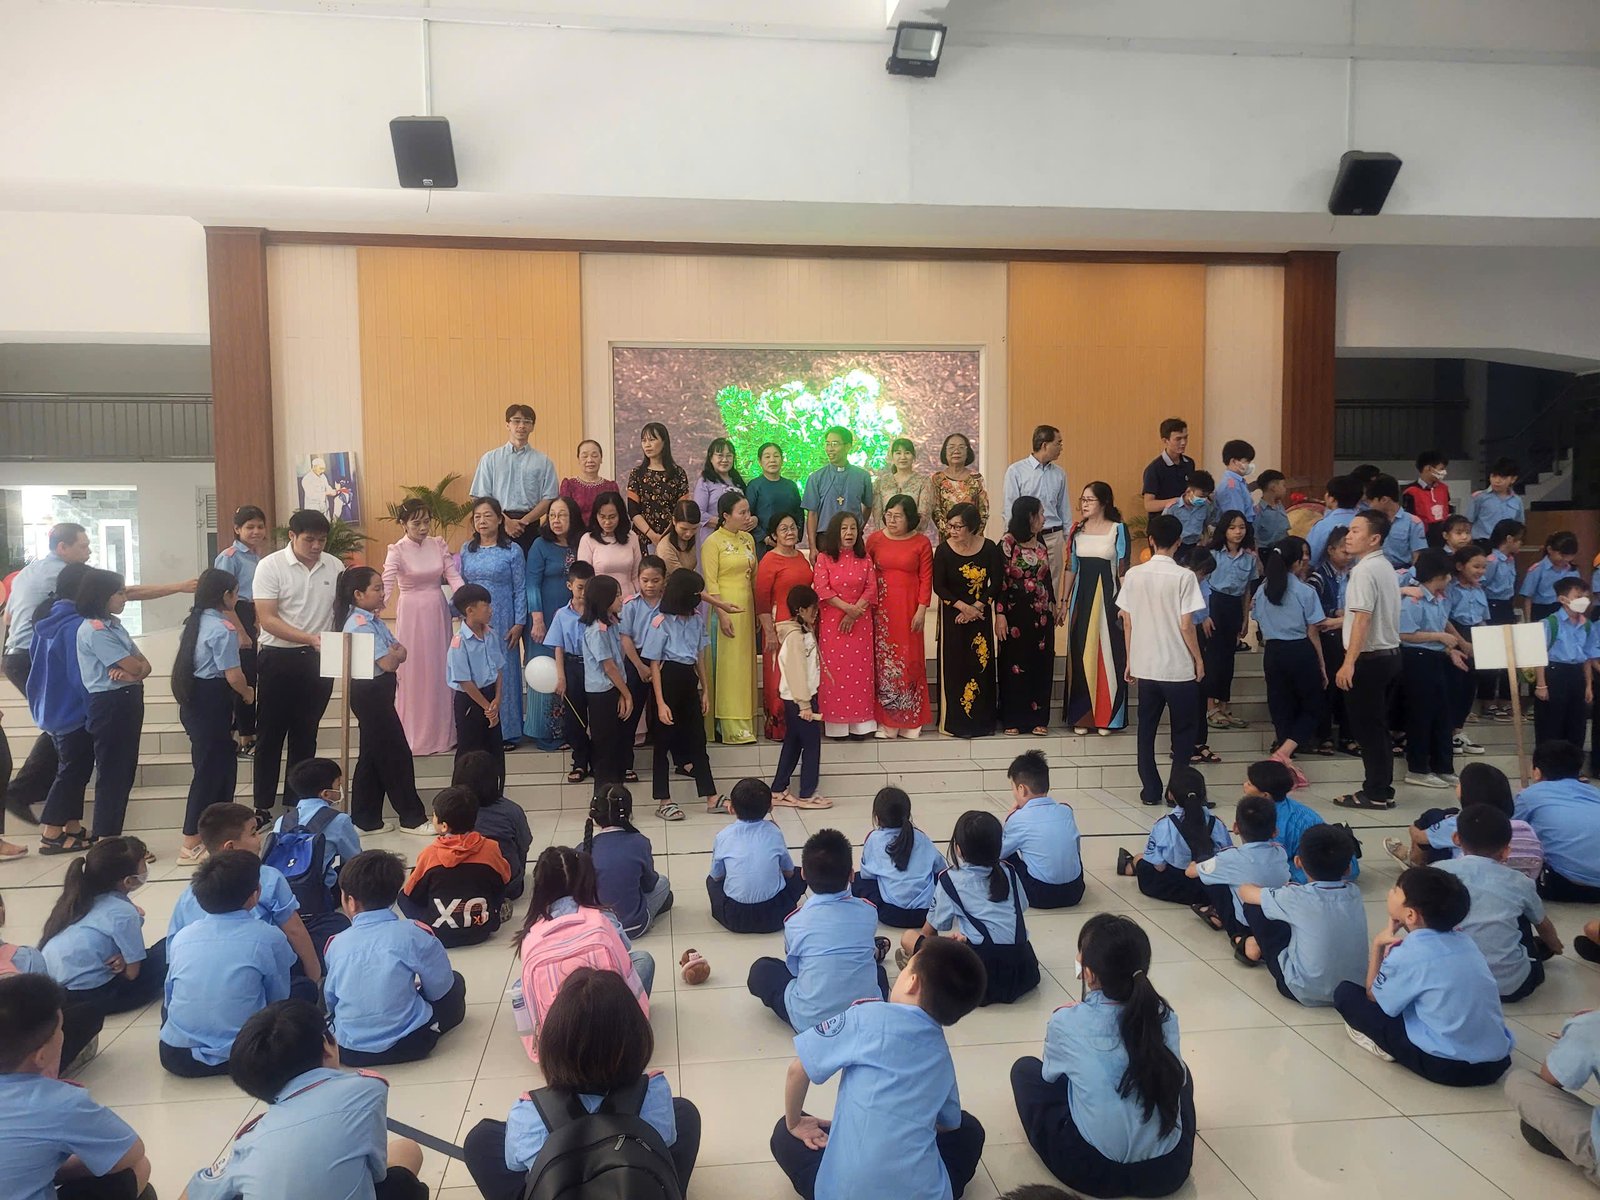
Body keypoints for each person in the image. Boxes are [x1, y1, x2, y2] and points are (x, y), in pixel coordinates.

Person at [770, 937, 988, 1200]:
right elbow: (948, 1125)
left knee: (784, 1132)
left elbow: (798, 1070)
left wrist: (795, 1122)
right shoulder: (942, 1056)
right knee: (970, 1130)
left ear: (912, 982)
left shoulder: (865, 1016)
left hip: (843, 1193)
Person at [465, 968, 700, 1200]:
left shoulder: (528, 1112)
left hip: (558, 1183)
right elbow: (668, 1139)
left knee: (480, 1139)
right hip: (635, 1184)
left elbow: (514, 1164)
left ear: (552, 1044)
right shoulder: (654, 1092)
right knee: (684, 1111)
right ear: (637, 1038)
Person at [1010, 914, 1194, 1199]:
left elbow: (1050, 1076)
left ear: (1090, 974)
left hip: (1093, 1173)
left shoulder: (1066, 1021)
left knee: (1024, 1071)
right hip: (1168, 1171)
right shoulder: (1165, 1016)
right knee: (1179, 1072)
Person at [186, 998, 429, 1200]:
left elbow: (192, 1194)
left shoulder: (250, 1142)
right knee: (407, 1153)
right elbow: (376, 1174)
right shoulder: (367, 1089)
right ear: (326, 1045)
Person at [1332, 866, 1514, 1087]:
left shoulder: (1408, 953)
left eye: (1396, 890)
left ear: (1410, 915)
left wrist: (1378, 945)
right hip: (1497, 1063)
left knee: (1346, 994)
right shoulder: (1466, 942)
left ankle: (1383, 1045)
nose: (1390, 892)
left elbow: (1373, 996)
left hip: (1447, 1067)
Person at [0, 974, 155, 1200]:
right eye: (60, 1029)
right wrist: (57, 1169)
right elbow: (131, 1152)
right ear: (41, 1056)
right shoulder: (58, 1102)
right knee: (139, 1168)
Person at [159, 850, 295, 1077]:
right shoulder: (269, 936)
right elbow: (278, 999)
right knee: (303, 990)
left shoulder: (182, 937)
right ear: (255, 895)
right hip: (249, 1054)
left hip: (177, 1057)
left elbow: (169, 995)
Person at [324, 849, 467, 1066]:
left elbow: (331, 1001)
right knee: (455, 982)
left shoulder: (336, 943)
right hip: (411, 1044)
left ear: (350, 901)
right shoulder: (414, 933)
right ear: (394, 894)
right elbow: (440, 989)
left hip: (350, 1051)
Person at [171, 802, 326, 985]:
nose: (260, 839)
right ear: (230, 847)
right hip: (255, 972)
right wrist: (314, 978)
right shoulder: (267, 876)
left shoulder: (187, 895)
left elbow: (172, 951)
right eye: (253, 833)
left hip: (199, 979)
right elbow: (294, 930)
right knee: (328, 926)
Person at [253, 509, 342, 821]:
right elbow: (267, 618)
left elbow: (341, 611)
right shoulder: (270, 566)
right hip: (279, 657)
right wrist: (308, 638)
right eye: (309, 540)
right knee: (270, 735)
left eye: (322, 540)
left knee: (306, 734)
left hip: (319, 658)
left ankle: (298, 803)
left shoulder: (335, 565)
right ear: (292, 536)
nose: (316, 546)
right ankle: (262, 806)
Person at [749, 828, 887, 1030]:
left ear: (803, 874)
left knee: (762, 970)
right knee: (878, 973)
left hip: (812, 1023)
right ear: (851, 875)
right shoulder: (868, 912)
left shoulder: (795, 921)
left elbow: (795, 969)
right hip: (865, 1018)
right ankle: (869, 953)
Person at [903, 809, 1040, 1005]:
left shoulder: (950, 879)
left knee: (909, 937)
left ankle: (921, 972)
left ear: (958, 849)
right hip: (1023, 970)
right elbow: (1020, 908)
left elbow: (929, 932)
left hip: (979, 979)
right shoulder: (1009, 871)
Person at [335, 566, 431, 835]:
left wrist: (395, 654)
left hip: (380, 692)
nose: (382, 593)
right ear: (358, 594)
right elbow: (389, 661)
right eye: (376, 588)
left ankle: (365, 820)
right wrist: (395, 654)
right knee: (395, 753)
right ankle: (412, 818)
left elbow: (402, 651)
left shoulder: (374, 621)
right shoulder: (359, 624)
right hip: (371, 695)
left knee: (371, 756)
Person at [517, 845, 653, 1030]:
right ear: (583, 877)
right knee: (643, 959)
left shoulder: (531, 933)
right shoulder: (602, 917)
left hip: (559, 1038)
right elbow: (624, 950)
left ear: (539, 886)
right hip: (612, 1029)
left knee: (520, 985)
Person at [1120, 514, 1206, 807]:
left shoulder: (1133, 575)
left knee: (1146, 730)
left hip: (1146, 665)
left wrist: (1130, 660)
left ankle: (1150, 790)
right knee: (1183, 733)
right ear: (1179, 542)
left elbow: (1127, 622)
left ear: (1151, 540)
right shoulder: (1184, 577)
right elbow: (1186, 625)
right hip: (1177, 667)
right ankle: (1176, 792)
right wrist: (1198, 659)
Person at [1435, 806, 1559, 1003]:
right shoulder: (1520, 881)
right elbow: (1542, 924)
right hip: (1511, 988)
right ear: (1506, 851)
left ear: (1456, 838)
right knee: (1521, 913)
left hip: (1450, 985)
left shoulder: (1436, 872)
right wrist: (1556, 946)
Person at [1233, 824, 1366, 1006]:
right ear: (1348, 869)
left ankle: (1254, 944)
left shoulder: (1296, 897)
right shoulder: (1354, 893)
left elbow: (1245, 893)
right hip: (1353, 989)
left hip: (1302, 990)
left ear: (1297, 862)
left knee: (1255, 907)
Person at [174, 568, 256, 864]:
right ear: (226, 595)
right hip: (212, 700)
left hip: (197, 700)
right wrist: (247, 694)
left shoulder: (195, 623)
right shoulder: (223, 628)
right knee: (209, 773)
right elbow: (233, 675)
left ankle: (217, 837)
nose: (238, 597)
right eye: (236, 592)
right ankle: (190, 841)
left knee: (220, 768)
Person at [40, 837, 165, 1017]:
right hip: (95, 996)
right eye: (143, 863)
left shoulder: (76, 900)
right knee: (169, 949)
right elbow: (132, 974)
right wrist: (127, 963)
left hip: (57, 991)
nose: (146, 867)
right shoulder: (123, 912)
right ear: (128, 881)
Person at [1333, 511, 1404, 812]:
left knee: (1368, 730)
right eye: (1349, 530)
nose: (1349, 536)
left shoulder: (1363, 571)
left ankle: (1374, 792)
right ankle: (1382, 789)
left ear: (1374, 538)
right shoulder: (1385, 566)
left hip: (1369, 659)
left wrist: (1349, 662)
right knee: (1378, 728)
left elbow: (1363, 618)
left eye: (1356, 531)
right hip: (1390, 655)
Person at [383, 497, 465, 757]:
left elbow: (453, 576)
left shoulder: (438, 544)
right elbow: (386, 583)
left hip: (437, 611)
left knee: (440, 668)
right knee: (414, 671)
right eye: (416, 523)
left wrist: (467, 600)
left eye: (426, 522)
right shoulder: (397, 550)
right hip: (412, 614)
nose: (422, 527)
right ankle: (413, 734)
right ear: (403, 524)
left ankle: (444, 734)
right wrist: (372, 610)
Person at [23, 562, 93, 855]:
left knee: (75, 768)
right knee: (73, 771)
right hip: (72, 709)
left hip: (50, 706)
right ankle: (51, 833)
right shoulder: (76, 625)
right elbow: (80, 674)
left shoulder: (47, 617)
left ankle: (72, 827)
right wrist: (94, 709)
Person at [75, 569, 150, 841]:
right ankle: (106, 839)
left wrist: (134, 673)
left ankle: (112, 837)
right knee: (113, 773)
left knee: (124, 771)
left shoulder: (114, 625)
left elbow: (145, 666)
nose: (124, 598)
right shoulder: (96, 630)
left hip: (127, 698)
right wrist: (135, 671)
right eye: (119, 593)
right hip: (110, 704)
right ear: (101, 595)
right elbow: (135, 665)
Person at [643, 569, 721, 814]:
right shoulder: (660, 621)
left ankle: (710, 796)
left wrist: (705, 690)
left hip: (689, 679)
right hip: (668, 679)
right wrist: (660, 702)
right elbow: (654, 664)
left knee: (698, 739)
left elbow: (700, 657)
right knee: (663, 742)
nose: (699, 598)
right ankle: (663, 800)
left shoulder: (696, 620)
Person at [398, 786, 512, 947]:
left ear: (444, 826)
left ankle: (424, 925)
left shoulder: (429, 854)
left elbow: (411, 893)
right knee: (496, 881)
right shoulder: (491, 848)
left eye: (434, 815)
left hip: (438, 934)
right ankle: (492, 916)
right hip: (481, 931)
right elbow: (505, 878)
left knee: (403, 897)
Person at [1254, 537, 1326, 787]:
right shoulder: (1305, 591)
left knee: (1280, 706)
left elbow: (1257, 619)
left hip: (1273, 652)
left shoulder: (1262, 590)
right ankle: (1284, 753)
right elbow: (1313, 630)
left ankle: (1284, 763)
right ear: (1296, 562)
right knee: (1314, 705)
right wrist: (1321, 663)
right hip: (1299, 649)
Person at [459, 497, 528, 749]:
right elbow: (461, 585)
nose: (482, 521)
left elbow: (520, 588)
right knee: (476, 670)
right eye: (477, 517)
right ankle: (480, 726)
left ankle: (507, 731)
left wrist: (519, 622)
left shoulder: (512, 550)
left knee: (504, 672)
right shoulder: (466, 550)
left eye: (488, 515)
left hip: (502, 618)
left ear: (500, 519)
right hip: (473, 621)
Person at [1398, 548, 1471, 788]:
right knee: (1421, 715)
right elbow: (1404, 634)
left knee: (1443, 715)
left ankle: (1444, 766)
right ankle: (1417, 768)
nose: (1449, 579)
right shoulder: (1413, 600)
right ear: (1436, 575)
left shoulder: (1439, 599)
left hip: (1437, 657)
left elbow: (1442, 626)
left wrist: (1451, 649)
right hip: (1417, 659)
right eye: (1446, 575)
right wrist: (1438, 637)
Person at [1062, 481, 1129, 735]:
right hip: (1081, 599)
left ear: (1104, 502)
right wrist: (1063, 602)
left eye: (1089, 500)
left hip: (1108, 600)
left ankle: (1108, 717)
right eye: (1082, 500)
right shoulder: (1076, 531)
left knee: (1109, 655)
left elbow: (1123, 570)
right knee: (1080, 654)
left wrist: (1126, 603)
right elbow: (1071, 567)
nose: (1084, 504)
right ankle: (1081, 717)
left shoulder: (1118, 530)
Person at [1507, 1009, 1600, 1189]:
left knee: (1520, 1082)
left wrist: (1576, 1032)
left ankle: (1587, 1154)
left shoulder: (1592, 1024)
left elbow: (1550, 1078)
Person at [1114, 766, 1231, 906]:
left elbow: (1159, 866)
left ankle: (1131, 864)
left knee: (1142, 858)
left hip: (1173, 887)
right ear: (1203, 793)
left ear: (1170, 795)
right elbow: (1227, 858)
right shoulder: (1217, 823)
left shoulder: (1164, 824)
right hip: (1208, 891)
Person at [866, 495, 933, 738]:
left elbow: (926, 578)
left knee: (909, 659)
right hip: (881, 611)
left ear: (910, 518)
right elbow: (865, 572)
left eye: (898, 516)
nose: (892, 520)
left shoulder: (921, 542)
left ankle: (911, 722)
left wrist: (922, 609)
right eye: (889, 515)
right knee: (885, 664)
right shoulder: (874, 540)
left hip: (909, 609)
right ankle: (887, 722)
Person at [933, 502, 1002, 739]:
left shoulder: (989, 548)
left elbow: (997, 582)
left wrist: (977, 607)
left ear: (972, 527)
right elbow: (939, 586)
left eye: (958, 526)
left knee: (980, 665)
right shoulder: (943, 551)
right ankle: (954, 724)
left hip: (980, 616)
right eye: (950, 526)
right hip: (954, 616)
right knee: (955, 667)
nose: (952, 531)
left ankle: (982, 723)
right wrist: (964, 608)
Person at [1188, 796, 1291, 945]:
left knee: (1209, 868)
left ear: (1235, 828)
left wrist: (1195, 863)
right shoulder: (1280, 852)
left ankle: (1228, 926)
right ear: (1275, 831)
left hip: (1246, 926)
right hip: (1278, 922)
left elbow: (1190, 873)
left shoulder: (1230, 857)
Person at [708, 778, 806, 934]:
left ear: (731, 808)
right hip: (776, 915)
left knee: (711, 881)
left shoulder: (723, 836)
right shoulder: (774, 832)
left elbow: (717, 876)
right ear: (770, 807)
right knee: (800, 873)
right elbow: (789, 872)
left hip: (734, 917)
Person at [1243, 758, 1359, 885]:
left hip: (1318, 862)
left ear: (1265, 795)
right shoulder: (1284, 807)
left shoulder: (1274, 819)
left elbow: (1271, 857)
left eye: (1249, 784)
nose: (1244, 785)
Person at [525, 495, 582, 752]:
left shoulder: (581, 544)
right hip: (545, 620)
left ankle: (570, 730)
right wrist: (537, 619)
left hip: (574, 620)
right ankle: (544, 733)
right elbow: (532, 583)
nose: (556, 520)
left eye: (562, 515)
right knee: (545, 671)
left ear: (573, 518)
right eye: (552, 515)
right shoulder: (540, 545)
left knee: (568, 672)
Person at [701, 491, 759, 744]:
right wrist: (721, 614)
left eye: (748, 511)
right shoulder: (712, 542)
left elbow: (754, 577)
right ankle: (726, 725)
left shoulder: (748, 540)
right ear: (725, 516)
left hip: (746, 609)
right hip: (723, 609)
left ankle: (746, 721)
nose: (747, 517)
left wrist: (758, 610)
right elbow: (710, 583)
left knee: (743, 665)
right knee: (728, 666)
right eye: (741, 512)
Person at [997, 496, 1057, 737]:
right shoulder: (1007, 542)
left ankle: (1039, 718)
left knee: (1041, 663)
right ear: (1029, 516)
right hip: (1015, 615)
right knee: (1014, 665)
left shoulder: (1040, 541)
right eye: (1040, 513)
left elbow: (1046, 576)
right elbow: (1000, 581)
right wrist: (1000, 614)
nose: (1044, 518)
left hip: (1041, 615)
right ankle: (1012, 718)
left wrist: (1053, 603)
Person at [814, 511, 877, 740]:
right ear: (835, 532)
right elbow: (822, 589)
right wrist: (847, 609)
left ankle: (861, 725)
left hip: (860, 623)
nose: (849, 533)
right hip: (834, 624)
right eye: (844, 528)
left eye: (852, 528)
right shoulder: (824, 558)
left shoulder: (865, 558)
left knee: (860, 672)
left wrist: (854, 611)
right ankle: (837, 725)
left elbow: (871, 587)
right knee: (836, 673)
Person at [1514, 739, 1600, 902]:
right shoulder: (1594, 793)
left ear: (1537, 772)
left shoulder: (1529, 795)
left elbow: (1509, 830)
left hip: (1565, 885)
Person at [583, 784, 672, 937]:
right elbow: (649, 884)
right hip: (633, 927)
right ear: (629, 813)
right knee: (663, 882)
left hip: (597, 930)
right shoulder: (640, 842)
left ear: (596, 817)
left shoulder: (583, 848)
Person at [214, 504, 268, 756]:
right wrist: (241, 632)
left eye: (260, 526)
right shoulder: (230, 556)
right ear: (237, 529)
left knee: (253, 674)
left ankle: (244, 731)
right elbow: (223, 599)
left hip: (254, 613)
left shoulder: (258, 557)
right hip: (235, 615)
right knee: (243, 675)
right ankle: (246, 736)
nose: (256, 531)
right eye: (250, 527)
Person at [852, 786, 946, 928]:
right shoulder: (920, 837)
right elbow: (940, 868)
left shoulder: (874, 839)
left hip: (890, 914)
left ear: (877, 818)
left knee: (857, 879)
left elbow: (867, 875)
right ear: (908, 815)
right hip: (926, 914)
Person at [756, 513, 815, 742]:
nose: (790, 532)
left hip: (802, 625)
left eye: (792, 527)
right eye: (783, 529)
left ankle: (801, 723)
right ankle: (779, 728)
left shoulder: (800, 557)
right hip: (779, 625)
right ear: (774, 535)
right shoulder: (769, 560)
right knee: (779, 676)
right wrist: (769, 632)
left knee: (800, 673)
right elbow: (761, 600)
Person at [1000, 750, 1083, 908]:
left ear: (1022, 789)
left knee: (1007, 855)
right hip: (1075, 892)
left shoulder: (1018, 818)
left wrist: (1009, 818)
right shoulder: (1066, 811)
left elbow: (998, 853)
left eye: (1013, 788)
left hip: (1040, 895)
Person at [770, 585, 829, 810]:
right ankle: (807, 794)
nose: (816, 613)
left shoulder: (803, 631)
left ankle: (778, 789)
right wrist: (805, 705)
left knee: (793, 743)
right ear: (801, 610)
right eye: (813, 609)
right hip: (799, 700)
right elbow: (796, 671)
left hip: (798, 698)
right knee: (812, 744)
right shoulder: (795, 636)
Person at [617, 556, 671, 799]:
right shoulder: (630, 604)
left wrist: (658, 665)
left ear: (664, 580)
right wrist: (639, 666)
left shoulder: (669, 604)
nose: (650, 585)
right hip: (636, 659)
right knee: (630, 712)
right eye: (645, 580)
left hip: (664, 659)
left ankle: (675, 760)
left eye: (655, 580)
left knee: (666, 712)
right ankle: (624, 763)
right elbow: (625, 637)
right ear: (638, 579)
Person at [471, 403, 558, 552]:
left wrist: (524, 522)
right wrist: (506, 521)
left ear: (532, 427)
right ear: (507, 425)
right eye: (516, 421)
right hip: (497, 523)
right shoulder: (490, 459)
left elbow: (549, 497)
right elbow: (480, 496)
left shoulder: (544, 461)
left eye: (527, 421)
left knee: (529, 564)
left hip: (530, 525)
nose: (521, 426)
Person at [273, 757, 364, 897]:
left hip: (282, 892)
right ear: (326, 794)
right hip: (318, 894)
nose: (340, 789)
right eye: (338, 785)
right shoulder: (339, 820)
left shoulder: (282, 820)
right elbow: (354, 859)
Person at [1202, 511, 1257, 732]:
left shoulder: (1249, 558)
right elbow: (1202, 585)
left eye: (1241, 527)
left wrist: (1245, 620)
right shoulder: (1213, 554)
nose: (1237, 532)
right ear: (1224, 530)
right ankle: (1210, 707)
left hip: (1234, 606)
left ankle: (1224, 706)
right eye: (1233, 527)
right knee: (1213, 658)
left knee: (1228, 660)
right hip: (1215, 604)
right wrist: (1204, 615)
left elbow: (1247, 591)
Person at [579, 574, 633, 795]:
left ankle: (617, 796)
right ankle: (602, 799)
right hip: (602, 694)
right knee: (605, 750)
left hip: (615, 689)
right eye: (617, 595)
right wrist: (627, 694)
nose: (621, 599)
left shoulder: (611, 624)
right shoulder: (597, 630)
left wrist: (622, 693)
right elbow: (609, 667)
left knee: (617, 747)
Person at [454, 750, 532, 900]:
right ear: (494, 779)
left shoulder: (450, 810)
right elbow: (525, 843)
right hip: (507, 886)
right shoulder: (511, 810)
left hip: (462, 886)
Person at [1003, 425, 1069, 601]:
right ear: (1045, 445)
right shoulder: (1016, 471)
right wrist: (1012, 538)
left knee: (1052, 584)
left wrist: (1069, 540)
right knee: (1026, 583)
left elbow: (1064, 509)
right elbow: (1009, 508)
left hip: (1053, 536)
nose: (1061, 447)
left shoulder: (1060, 474)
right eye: (1058, 443)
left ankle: (1050, 616)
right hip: (1025, 537)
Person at [448, 582, 505, 784]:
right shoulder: (459, 641)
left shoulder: (491, 634)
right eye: (485, 606)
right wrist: (487, 708)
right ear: (470, 611)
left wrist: (497, 699)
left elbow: (498, 668)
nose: (490, 610)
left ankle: (495, 791)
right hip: (471, 701)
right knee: (470, 752)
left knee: (494, 750)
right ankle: (462, 793)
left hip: (490, 698)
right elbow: (464, 681)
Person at [1534, 576, 1596, 753]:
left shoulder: (1587, 625)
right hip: (1554, 673)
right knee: (1551, 725)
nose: (1584, 601)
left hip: (1577, 675)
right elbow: (1539, 655)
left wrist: (1588, 685)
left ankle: (1573, 764)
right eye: (1578, 596)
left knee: (1576, 725)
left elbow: (1587, 657)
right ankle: (1548, 764)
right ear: (1563, 599)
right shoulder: (1549, 623)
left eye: (1586, 597)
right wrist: (1541, 684)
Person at [547, 557, 594, 783]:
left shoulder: (599, 612)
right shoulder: (561, 614)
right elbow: (558, 647)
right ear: (569, 586)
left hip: (596, 667)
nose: (583, 592)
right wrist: (561, 676)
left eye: (588, 587)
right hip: (572, 666)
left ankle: (599, 760)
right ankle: (580, 762)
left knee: (598, 716)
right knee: (575, 718)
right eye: (579, 587)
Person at [1310, 525, 1354, 755]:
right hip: (1327, 638)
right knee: (1326, 687)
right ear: (1330, 550)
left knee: (1350, 687)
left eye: (1351, 552)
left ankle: (1348, 735)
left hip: (1351, 635)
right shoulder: (1318, 577)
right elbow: (1314, 610)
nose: (1348, 556)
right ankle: (1324, 735)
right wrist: (1335, 612)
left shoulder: (1355, 575)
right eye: (1344, 551)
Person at [1446, 543, 1492, 754]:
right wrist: (1461, 642)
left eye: (1483, 567)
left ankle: (1459, 731)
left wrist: (1484, 640)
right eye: (1476, 566)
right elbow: (1444, 619)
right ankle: (1447, 732)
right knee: (1453, 687)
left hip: (1476, 638)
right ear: (1460, 566)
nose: (1480, 571)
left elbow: (1482, 618)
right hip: (1456, 636)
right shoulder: (1450, 588)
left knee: (1469, 688)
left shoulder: (1480, 589)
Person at [1481, 518, 1525, 721]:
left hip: (1506, 606)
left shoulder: (1510, 560)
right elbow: (1482, 586)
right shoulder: (1491, 561)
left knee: (1511, 655)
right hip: (1492, 606)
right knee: (1491, 655)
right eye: (1519, 539)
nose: (1521, 544)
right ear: (1508, 539)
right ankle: (1487, 700)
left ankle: (1508, 700)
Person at [803, 426, 874, 550]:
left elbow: (868, 506)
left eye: (835, 444)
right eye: (828, 444)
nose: (830, 448)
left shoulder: (862, 476)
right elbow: (812, 514)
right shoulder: (816, 477)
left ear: (848, 446)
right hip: (825, 539)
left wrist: (858, 528)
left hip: (853, 539)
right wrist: (813, 547)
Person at [627, 422, 692, 547]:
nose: (647, 445)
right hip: (643, 539)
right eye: (644, 440)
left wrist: (665, 536)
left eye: (652, 440)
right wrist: (652, 535)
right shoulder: (637, 473)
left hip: (672, 538)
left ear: (664, 442)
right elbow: (633, 511)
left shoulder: (678, 473)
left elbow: (681, 510)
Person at [577, 489, 642, 603]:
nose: (607, 522)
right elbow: (585, 578)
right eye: (602, 517)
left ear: (620, 515)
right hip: (600, 602)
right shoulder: (588, 539)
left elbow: (636, 575)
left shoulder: (631, 537)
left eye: (612, 517)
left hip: (629, 601)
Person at [748, 442, 805, 558]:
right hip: (764, 546)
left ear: (782, 460)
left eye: (776, 456)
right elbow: (748, 516)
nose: (772, 460)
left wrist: (796, 535)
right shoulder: (754, 486)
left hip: (788, 543)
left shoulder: (791, 486)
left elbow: (799, 513)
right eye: (767, 457)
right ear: (760, 461)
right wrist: (765, 538)